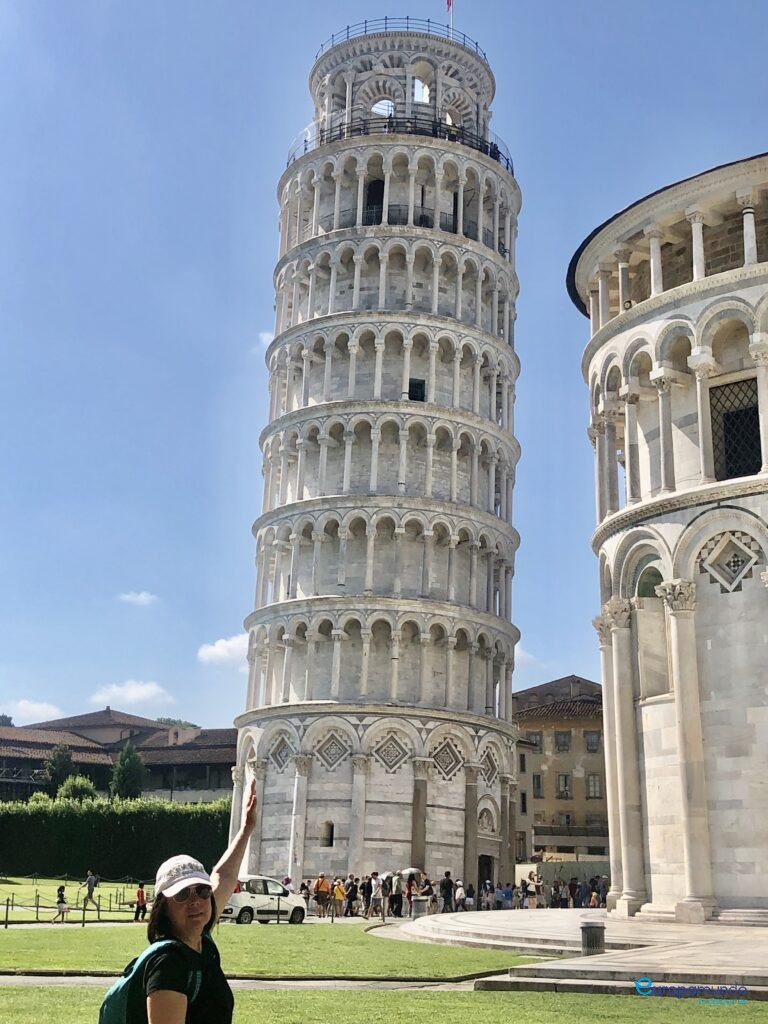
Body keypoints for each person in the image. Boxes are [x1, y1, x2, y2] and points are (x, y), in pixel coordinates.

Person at [103, 778, 257, 1024]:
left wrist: (247, 828)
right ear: (164, 907)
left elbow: (223, 876)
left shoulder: (201, 942)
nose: (195, 901)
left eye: (202, 891)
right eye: (182, 894)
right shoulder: (169, 965)